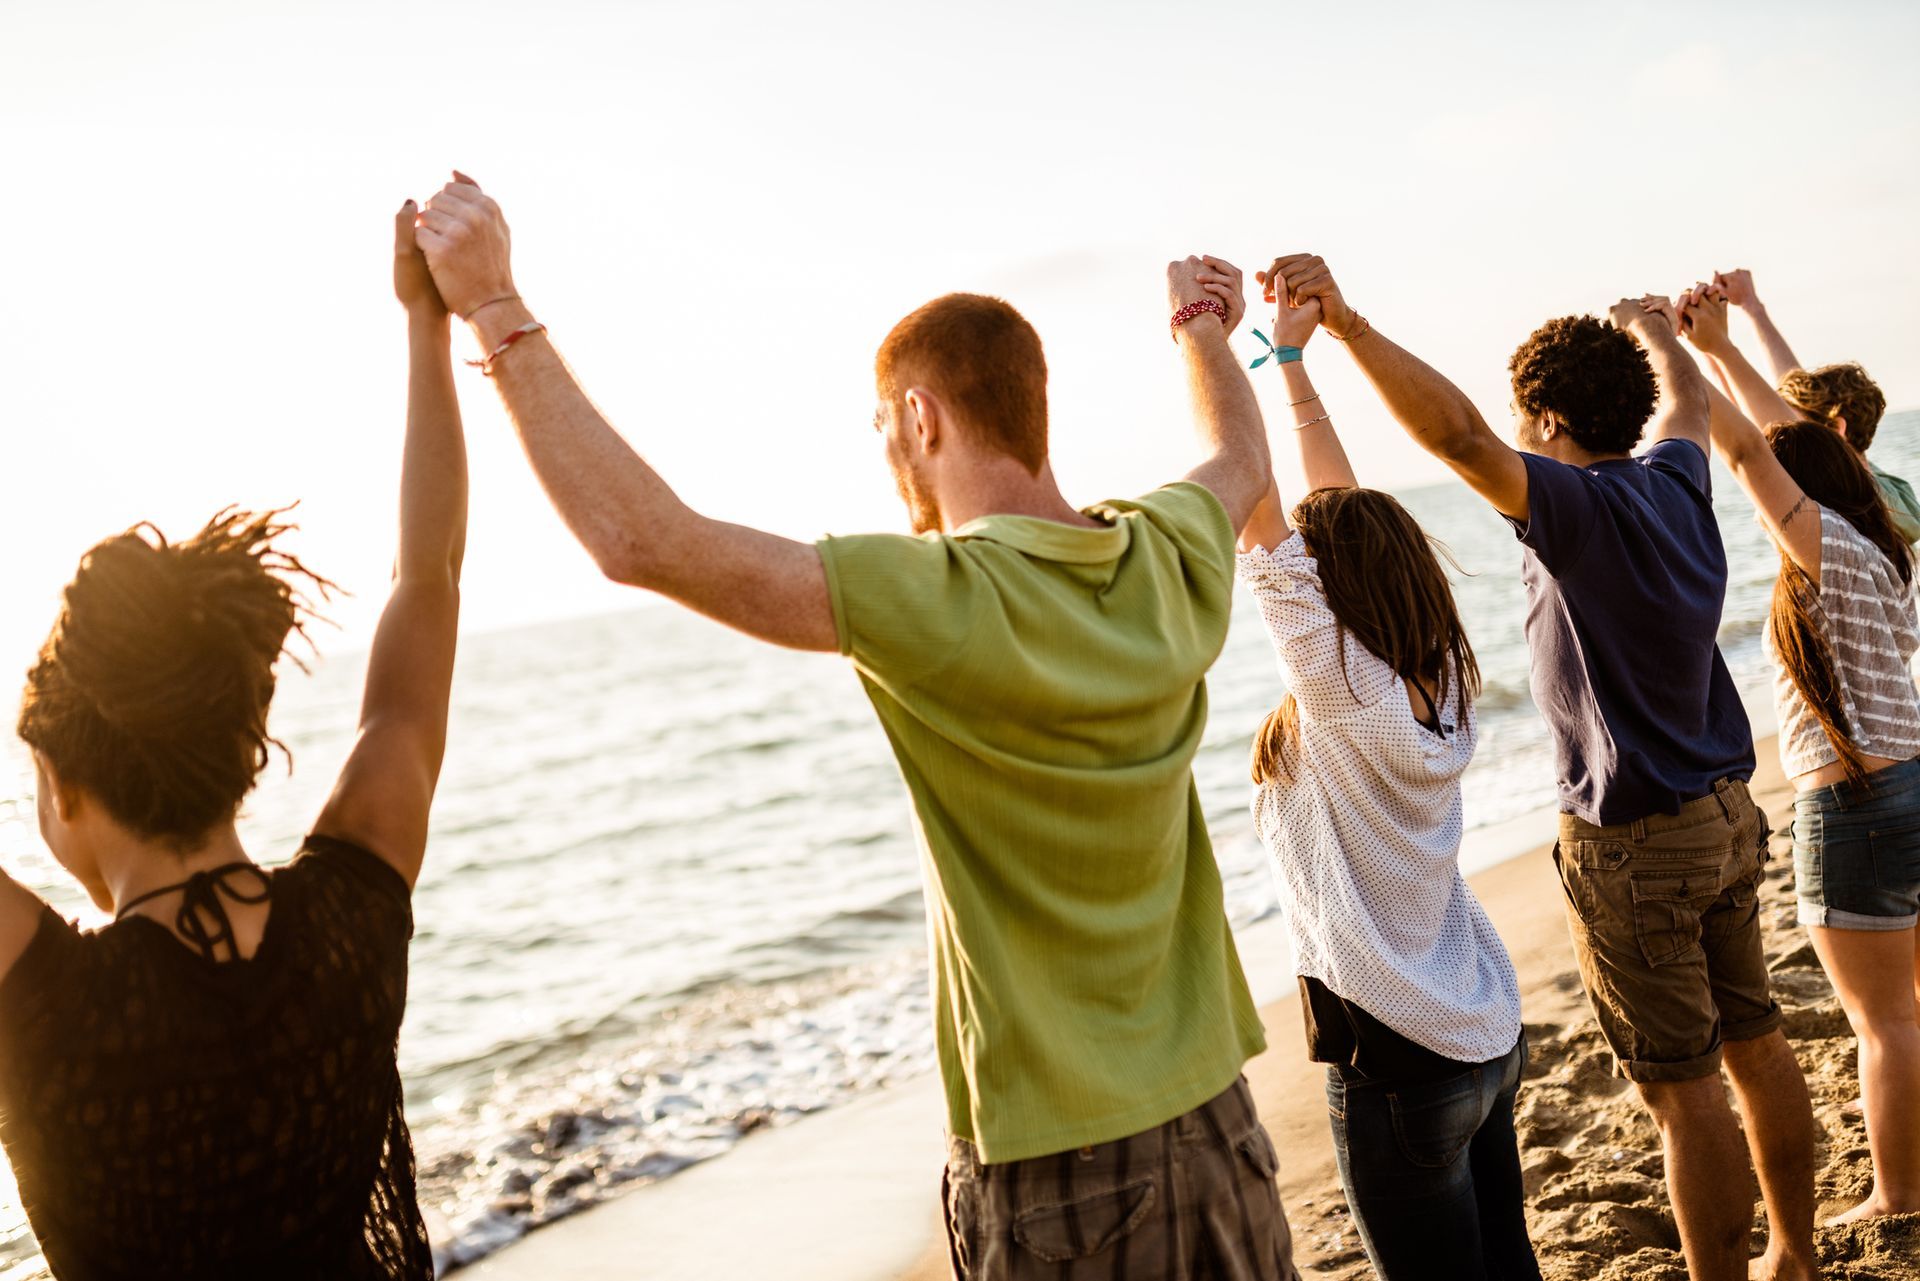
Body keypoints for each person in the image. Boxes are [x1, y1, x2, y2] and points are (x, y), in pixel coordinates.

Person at [411, 173, 1298, 1279]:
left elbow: (641, 540)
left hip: (1063, 1167)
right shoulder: (1166, 553)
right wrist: (1202, 328)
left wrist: (495, 308)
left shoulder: (937, 598)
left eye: (885, 426)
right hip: (1220, 1122)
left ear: (920, 419)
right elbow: (1242, 462)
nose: (886, 451)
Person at [1261, 254, 1819, 1281]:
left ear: (1550, 425)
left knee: (1684, 1090)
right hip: (1731, 812)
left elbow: (1460, 437)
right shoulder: (1677, 484)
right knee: (1761, 1040)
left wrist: (1347, 327)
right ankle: (1796, 1251)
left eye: (1528, 428)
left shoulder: (1580, 508)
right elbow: (1688, 403)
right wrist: (1659, 335)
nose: (1516, 445)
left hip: (1639, 842)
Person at [0, 204, 466, 1278]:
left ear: (64, 788)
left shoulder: (47, 1006)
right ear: (240, 742)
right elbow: (427, 578)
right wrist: (425, 327)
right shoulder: (353, 913)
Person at [1229, 267, 1537, 1280]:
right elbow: (1331, 508)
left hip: (1400, 1061)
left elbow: (1262, 510)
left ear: (1331, 592)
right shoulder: (1437, 666)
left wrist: (1206, 339)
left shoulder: (1336, 689)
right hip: (1482, 1033)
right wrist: (1287, 361)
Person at [1679, 288, 1920, 1226]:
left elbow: (1747, 448)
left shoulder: (1826, 549)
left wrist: (1686, 351)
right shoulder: (1889, 542)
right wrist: (1728, 346)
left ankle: (1899, 1195)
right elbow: (1789, 436)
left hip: (1854, 804)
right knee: (1910, 1013)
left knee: (1882, 1023)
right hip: (1912, 776)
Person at [1695, 268, 1919, 543]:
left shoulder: (1855, 499)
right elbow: (1787, 391)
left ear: (1837, 428)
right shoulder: (1884, 487)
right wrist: (1748, 310)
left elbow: (1779, 423)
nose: (1780, 436)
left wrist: (1718, 346)